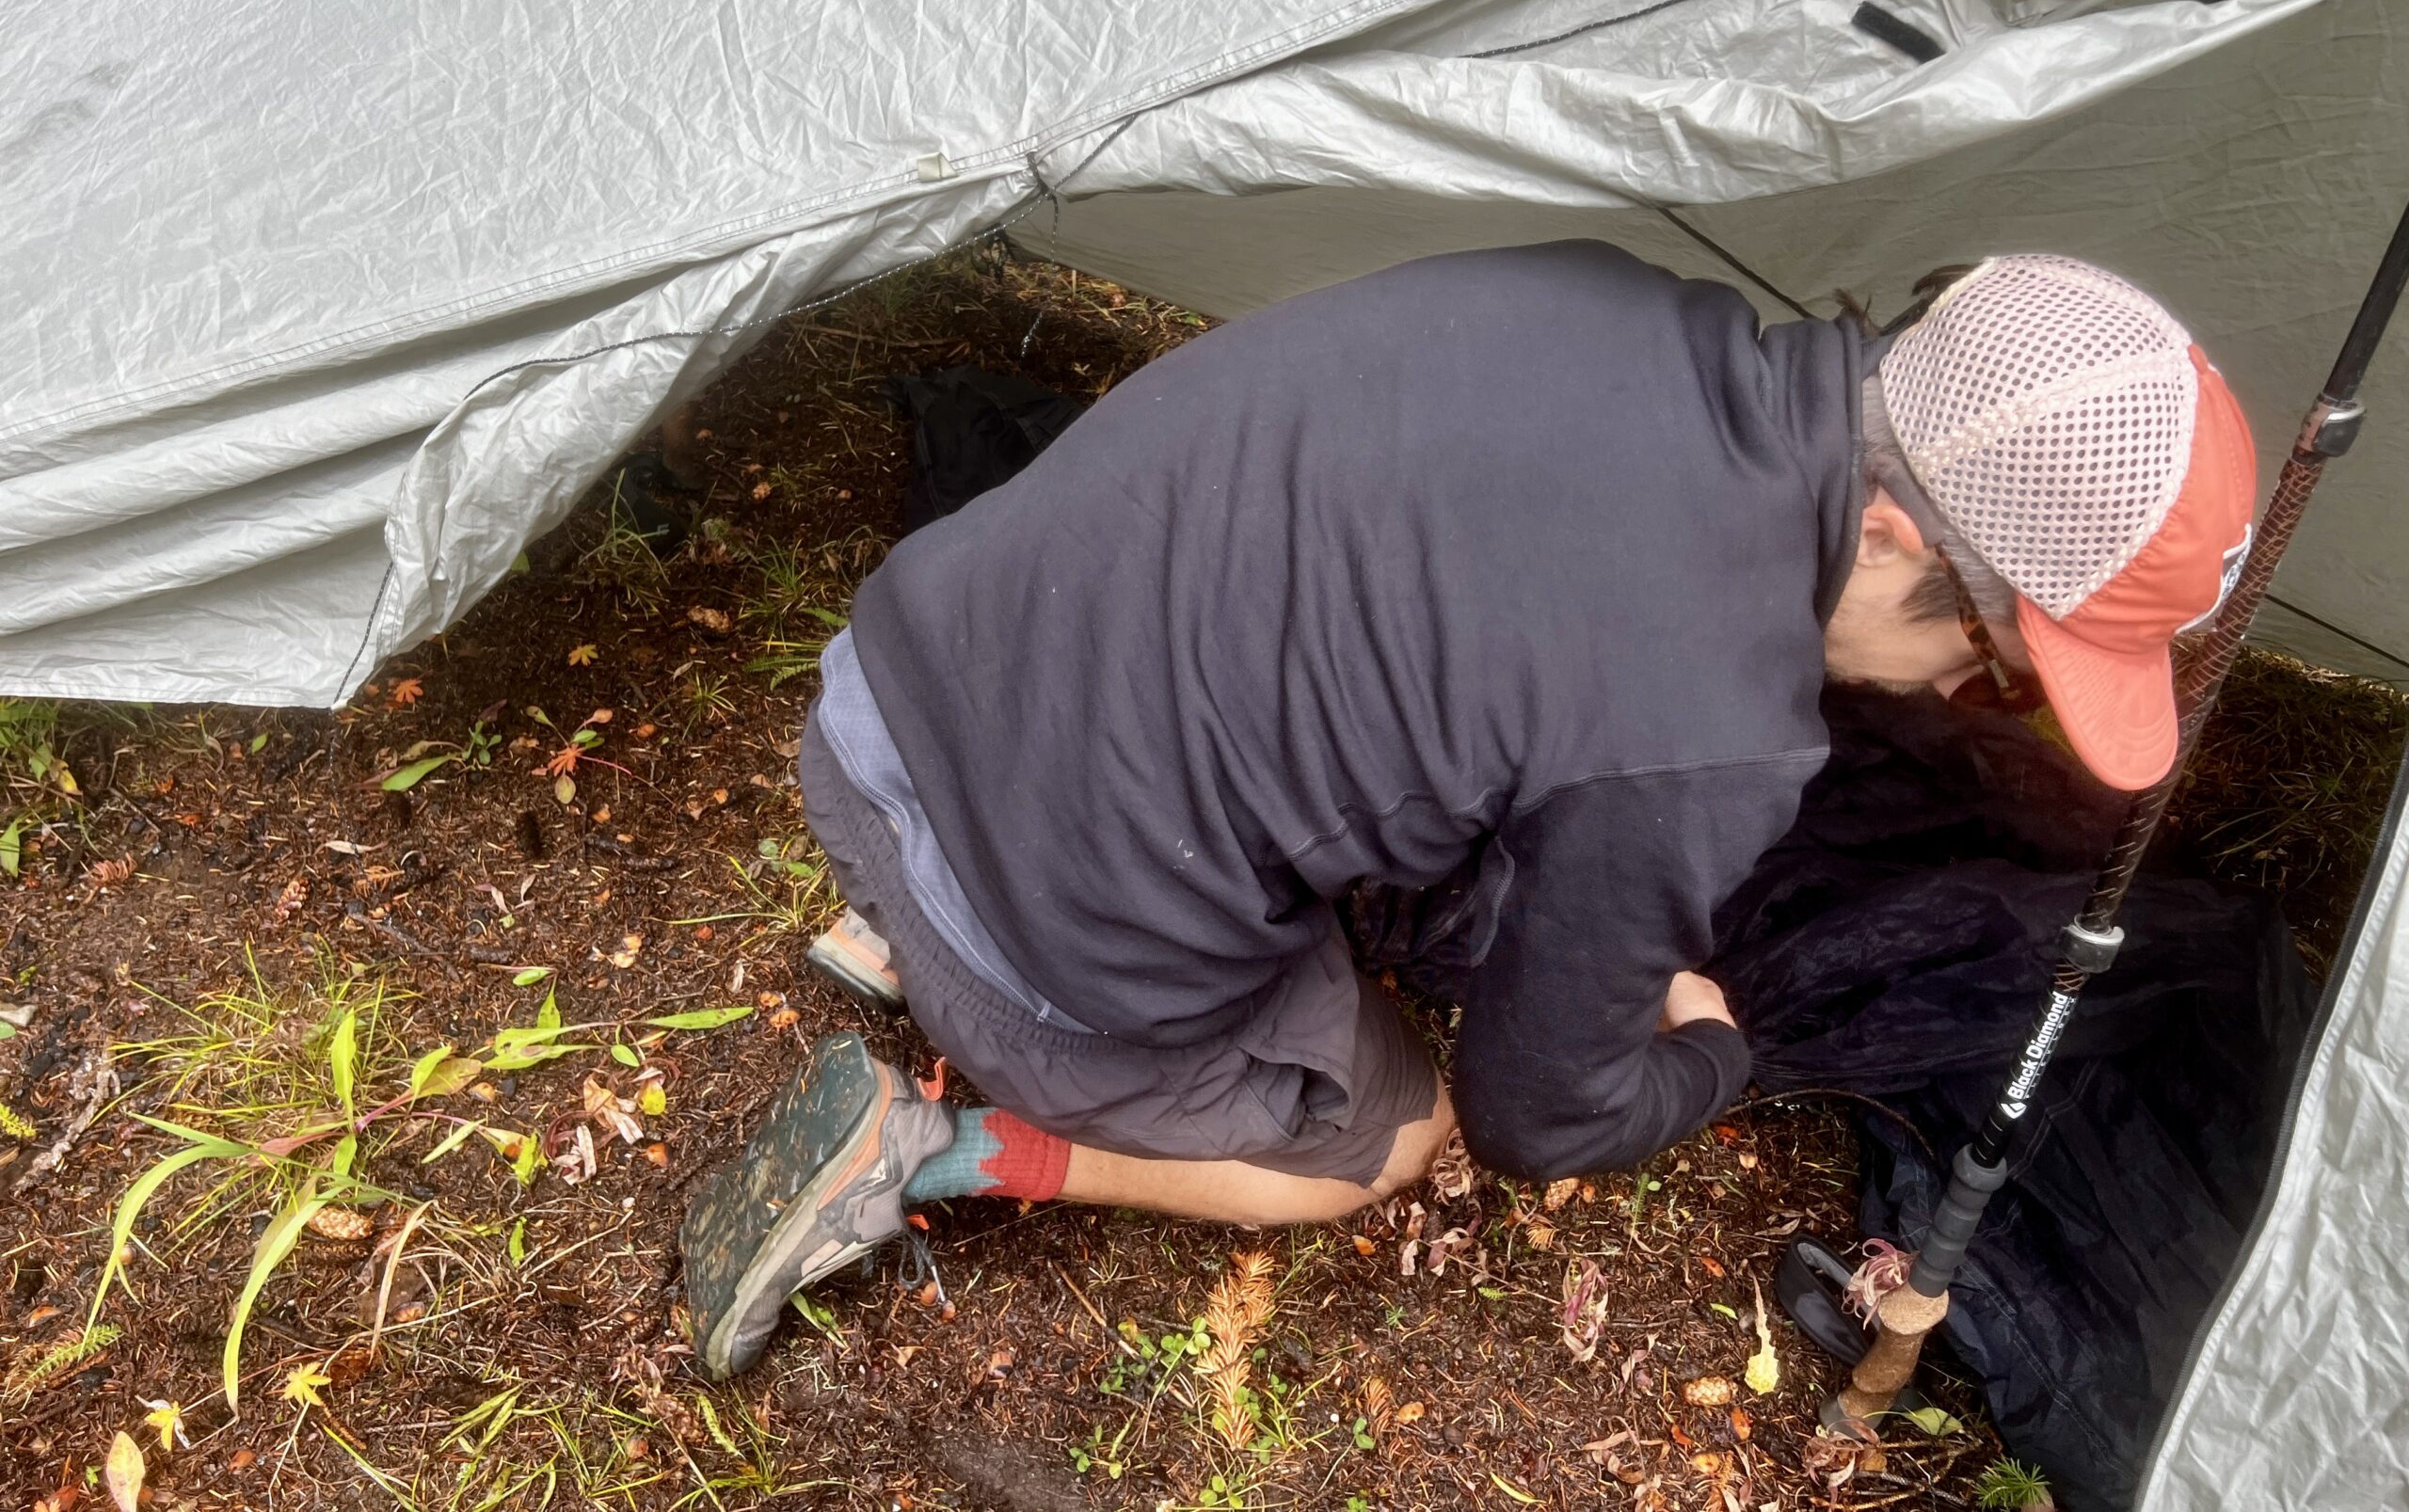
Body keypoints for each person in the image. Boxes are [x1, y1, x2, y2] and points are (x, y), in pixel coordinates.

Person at [680, 244, 2257, 1378]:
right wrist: (1707, 1053)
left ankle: (907, 931)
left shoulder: (1619, 295)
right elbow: (1530, 1120)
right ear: (1902, 531)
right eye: (1984, 665)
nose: (1933, 701)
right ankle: (937, 1146)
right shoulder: (1708, 738)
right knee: (1385, 1139)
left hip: (892, 687)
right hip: (1046, 922)